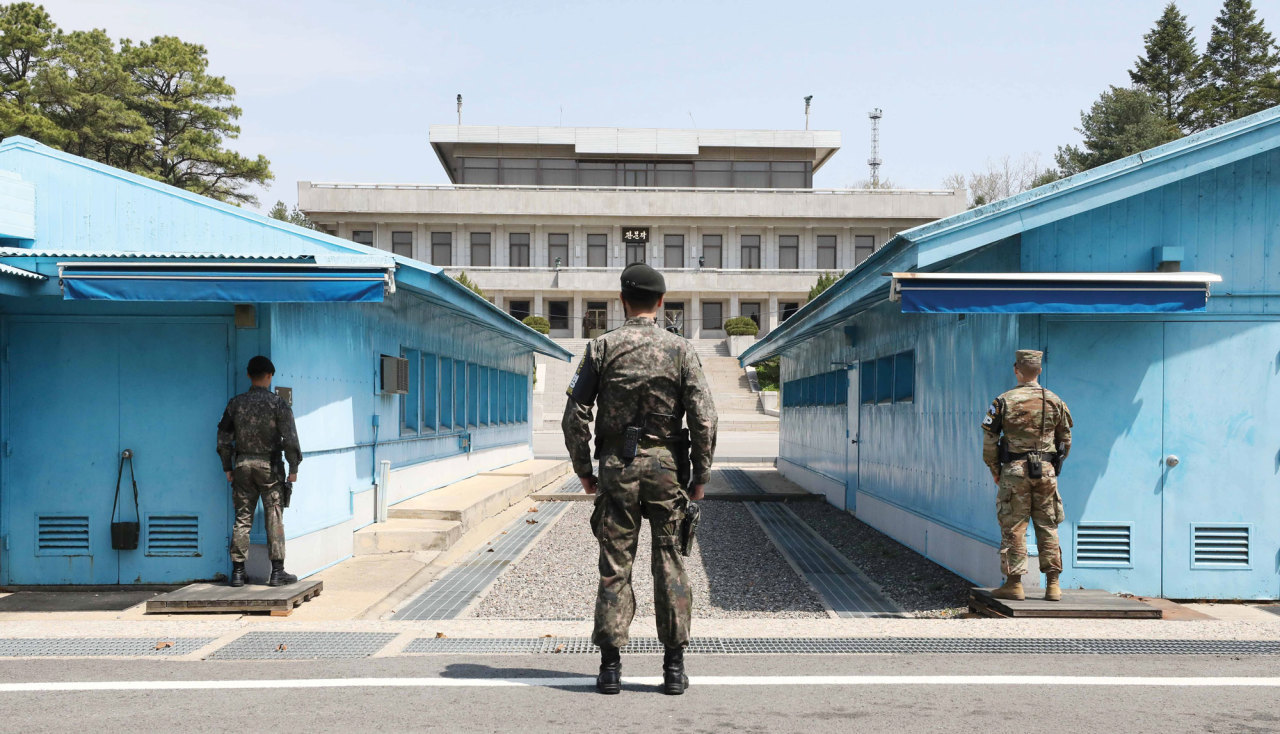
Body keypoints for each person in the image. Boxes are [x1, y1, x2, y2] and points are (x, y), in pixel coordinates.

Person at [562, 263, 718, 696]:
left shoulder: (601, 348)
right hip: (668, 470)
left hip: (618, 469)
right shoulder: (682, 350)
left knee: (615, 567)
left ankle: (610, 668)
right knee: (669, 562)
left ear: (622, 301)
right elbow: (704, 417)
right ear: (662, 302)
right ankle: (672, 668)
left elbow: (574, 415)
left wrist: (584, 471)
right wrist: (701, 475)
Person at [981, 349, 1072, 602]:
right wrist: (1053, 465)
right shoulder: (1055, 401)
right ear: (1039, 371)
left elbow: (990, 441)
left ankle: (1014, 584)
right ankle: (1053, 585)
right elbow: (1065, 440)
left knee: (1014, 526)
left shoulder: (1003, 401)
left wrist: (995, 470)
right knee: (1048, 525)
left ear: (1016, 369)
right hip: (1046, 472)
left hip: (1014, 472)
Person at [216, 356, 302, 588]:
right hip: (270, 468)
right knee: (274, 516)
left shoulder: (235, 403)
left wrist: (227, 466)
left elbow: (223, 438)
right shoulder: (279, 404)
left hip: (242, 466)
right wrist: (293, 468)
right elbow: (290, 439)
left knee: (242, 518)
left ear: (248, 376)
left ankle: (238, 573)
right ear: (270, 375)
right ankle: (277, 573)